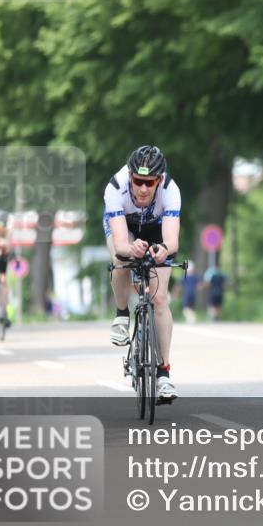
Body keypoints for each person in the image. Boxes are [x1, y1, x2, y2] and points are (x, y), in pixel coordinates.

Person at [103, 145, 182, 400]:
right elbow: (119, 244)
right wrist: (130, 248)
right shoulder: (115, 188)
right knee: (121, 259)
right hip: (125, 227)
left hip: (156, 228)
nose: (143, 188)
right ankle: (122, 313)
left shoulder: (171, 191)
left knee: (160, 298)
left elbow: (172, 240)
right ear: (130, 177)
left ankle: (163, 373)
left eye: (150, 183)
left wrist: (163, 249)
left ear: (159, 180)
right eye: (138, 181)